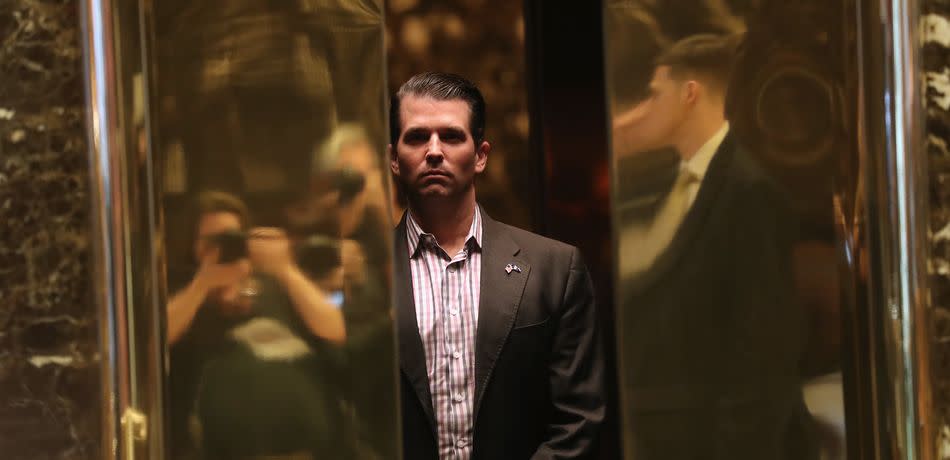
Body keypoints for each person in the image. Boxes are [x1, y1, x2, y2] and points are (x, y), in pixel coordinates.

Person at [613, 34, 818, 460]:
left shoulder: (749, 192)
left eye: (655, 94)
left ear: (689, 94)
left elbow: (761, 353)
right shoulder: (671, 183)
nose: (645, 108)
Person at [389, 72, 605, 460]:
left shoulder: (554, 268)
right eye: (418, 137)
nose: (434, 151)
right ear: (393, 158)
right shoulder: (362, 273)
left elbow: (580, 419)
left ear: (481, 155)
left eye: (452, 136)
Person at [166, 191, 347, 459]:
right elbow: (154, 342)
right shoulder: (188, 299)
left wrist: (285, 269)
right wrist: (202, 284)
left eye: (231, 237)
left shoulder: (278, 286)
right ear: (194, 246)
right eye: (212, 240)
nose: (223, 247)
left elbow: (334, 329)